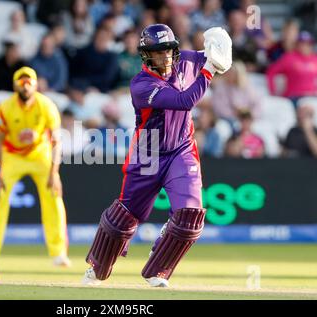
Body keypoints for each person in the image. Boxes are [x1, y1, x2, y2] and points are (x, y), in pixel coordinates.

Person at [82, 24, 232, 287]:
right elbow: (185, 100)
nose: (164, 57)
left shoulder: (185, 60)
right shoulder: (141, 85)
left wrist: (219, 42)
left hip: (182, 148)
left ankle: (158, 269)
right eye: (157, 52)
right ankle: (98, 267)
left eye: (168, 50)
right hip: (148, 151)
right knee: (123, 219)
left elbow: (216, 57)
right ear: (145, 55)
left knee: (190, 215)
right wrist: (209, 70)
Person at [0, 66, 71, 267]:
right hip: (12, 156)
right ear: (15, 85)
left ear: (35, 84)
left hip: (40, 154)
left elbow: (57, 141)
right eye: (21, 82)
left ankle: (59, 253)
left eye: (29, 81)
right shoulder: (4, 108)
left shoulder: (47, 106)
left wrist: (54, 173)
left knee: (53, 197)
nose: (25, 85)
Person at [266, 31, 317, 102]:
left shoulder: (315, 59)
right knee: (307, 108)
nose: (305, 46)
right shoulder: (289, 57)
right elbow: (271, 72)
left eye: (308, 43)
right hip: (294, 96)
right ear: (297, 44)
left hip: (312, 96)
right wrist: (272, 91)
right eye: (302, 43)